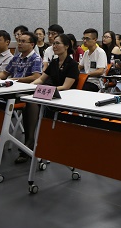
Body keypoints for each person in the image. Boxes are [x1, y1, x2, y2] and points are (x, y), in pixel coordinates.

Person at [14, 34, 81, 164]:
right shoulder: (54, 62)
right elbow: (41, 79)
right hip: (49, 95)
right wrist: (30, 86)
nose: (54, 46)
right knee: (29, 103)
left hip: (62, 98)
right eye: (53, 43)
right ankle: (29, 141)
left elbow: (65, 87)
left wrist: (47, 90)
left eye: (57, 43)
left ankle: (29, 143)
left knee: (32, 104)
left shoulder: (73, 64)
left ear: (66, 46)